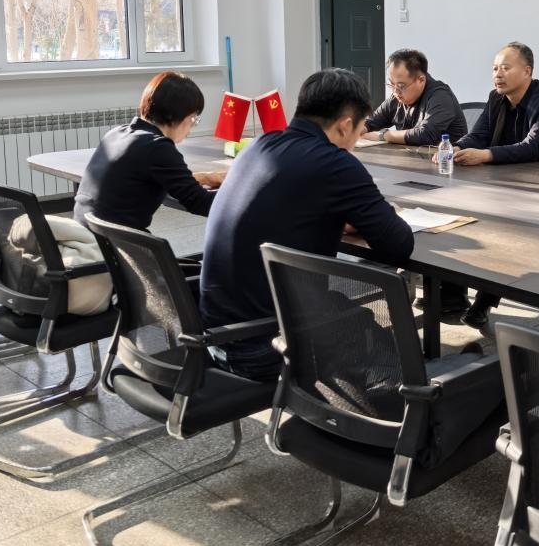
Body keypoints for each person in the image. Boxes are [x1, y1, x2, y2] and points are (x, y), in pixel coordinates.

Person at [199, 68, 414, 380]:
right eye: (359, 132)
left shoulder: (259, 146)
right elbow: (398, 245)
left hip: (216, 336)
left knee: (344, 310)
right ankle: (413, 398)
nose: (356, 141)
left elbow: (290, 208)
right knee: (377, 340)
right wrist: (375, 214)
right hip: (266, 347)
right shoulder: (336, 164)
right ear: (345, 125)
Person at [452, 42, 539, 327]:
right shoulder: (496, 98)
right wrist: (456, 147)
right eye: (495, 68)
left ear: (527, 71)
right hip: (505, 183)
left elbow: (533, 147)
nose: (498, 74)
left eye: (506, 68)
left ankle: (483, 300)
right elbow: (479, 134)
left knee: (499, 231)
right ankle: (450, 293)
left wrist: (486, 155)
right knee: (459, 214)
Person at [73, 70, 224, 232]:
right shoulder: (158, 147)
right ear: (175, 115)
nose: (192, 127)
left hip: (86, 231)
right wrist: (240, 191)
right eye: (194, 118)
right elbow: (201, 203)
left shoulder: (117, 133)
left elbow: (150, 178)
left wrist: (205, 177)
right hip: (112, 241)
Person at [363, 48, 468, 146]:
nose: (395, 92)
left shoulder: (441, 97)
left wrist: (384, 135)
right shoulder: (397, 97)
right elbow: (371, 122)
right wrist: (359, 129)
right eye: (391, 84)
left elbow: (425, 134)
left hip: (446, 158)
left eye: (400, 86)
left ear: (421, 80)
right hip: (410, 156)